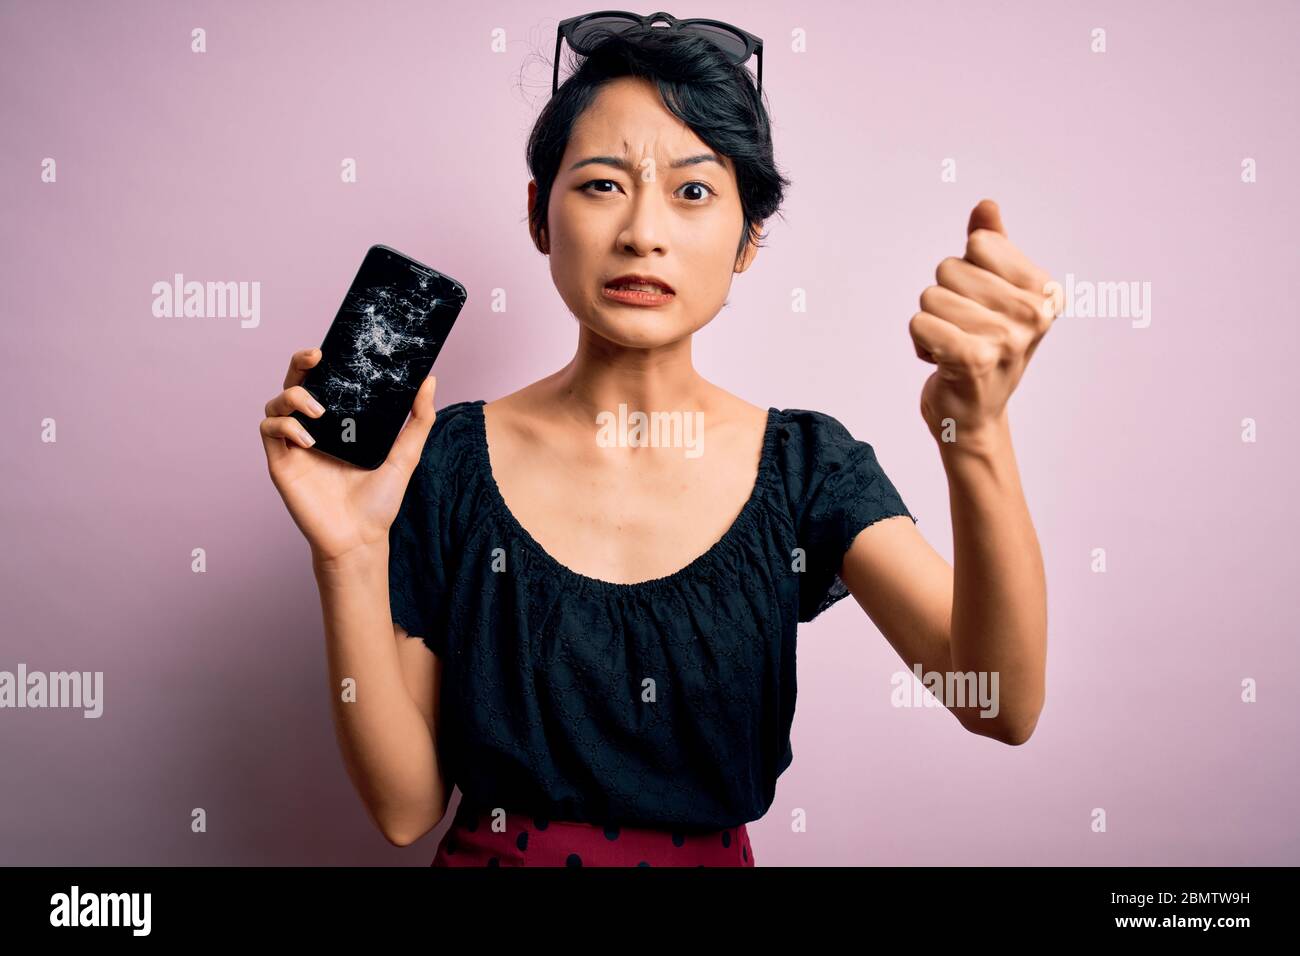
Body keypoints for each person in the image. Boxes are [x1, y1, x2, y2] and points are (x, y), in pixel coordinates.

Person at [260, 15, 1054, 867]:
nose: (643, 230)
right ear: (539, 213)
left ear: (750, 238)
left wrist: (975, 432)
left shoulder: (805, 469)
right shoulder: (445, 461)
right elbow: (406, 807)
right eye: (602, 184)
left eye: (694, 191)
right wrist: (345, 553)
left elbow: (999, 705)